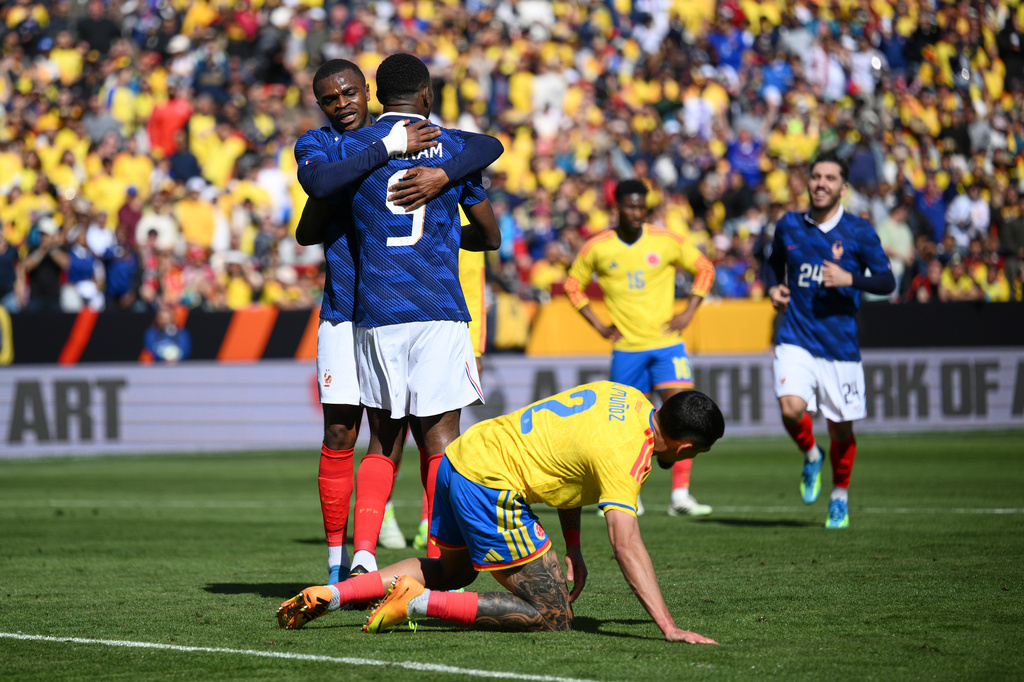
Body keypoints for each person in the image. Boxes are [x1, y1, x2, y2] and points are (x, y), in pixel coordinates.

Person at [277, 381, 724, 644]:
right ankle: (414, 602)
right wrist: (668, 627)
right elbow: (626, 544)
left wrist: (572, 546)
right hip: (490, 485)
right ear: (685, 447)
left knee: (453, 570)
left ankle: (335, 594)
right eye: (696, 453)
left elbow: (569, 463)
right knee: (554, 614)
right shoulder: (629, 455)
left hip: (459, 458)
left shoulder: (622, 397)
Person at [293, 58, 503, 584]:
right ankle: (342, 560)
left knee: (392, 434)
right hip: (348, 309)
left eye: (348, 94)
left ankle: (406, 551)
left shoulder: (422, 144)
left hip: (377, 311)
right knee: (349, 431)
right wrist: (390, 150)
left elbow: (484, 146)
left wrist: (442, 172)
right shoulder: (325, 147)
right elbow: (313, 204)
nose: (341, 105)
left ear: (370, 93)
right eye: (329, 99)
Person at [563, 179, 716, 517]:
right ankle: (626, 493)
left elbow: (704, 268)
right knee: (623, 425)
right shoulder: (598, 247)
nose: (636, 213)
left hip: (667, 346)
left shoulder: (665, 240)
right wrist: (599, 325)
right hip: (627, 350)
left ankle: (680, 496)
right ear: (616, 208)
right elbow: (573, 285)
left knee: (683, 414)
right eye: (630, 207)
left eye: (641, 207)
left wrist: (689, 310)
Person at [763, 152, 895, 529]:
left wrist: (850, 279)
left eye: (830, 178)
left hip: (840, 347)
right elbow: (772, 262)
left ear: (843, 187)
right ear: (808, 182)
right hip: (796, 336)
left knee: (842, 429)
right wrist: (773, 286)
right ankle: (810, 454)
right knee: (791, 409)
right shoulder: (789, 225)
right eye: (816, 176)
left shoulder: (859, 231)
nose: (821, 184)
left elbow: (887, 282)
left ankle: (839, 496)